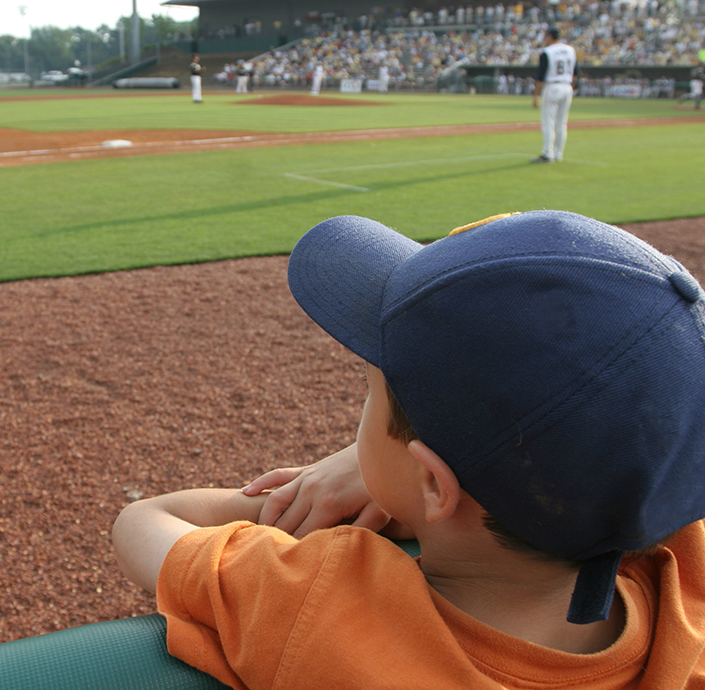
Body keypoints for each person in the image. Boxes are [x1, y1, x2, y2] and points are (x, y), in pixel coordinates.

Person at [114, 210, 705, 688]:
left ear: (434, 484)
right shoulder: (682, 580)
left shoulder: (324, 606)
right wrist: (425, 466)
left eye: (367, 394)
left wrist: (369, 478)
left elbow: (145, 521)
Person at [532, 27, 579, 163]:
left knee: (548, 122)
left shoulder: (547, 52)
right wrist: (570, 86)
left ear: (549, 36)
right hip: (567, 86)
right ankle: (558, 153)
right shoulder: (571, 50)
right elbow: (576, 73)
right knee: (562, 123)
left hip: (552, 86)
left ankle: (547, 153)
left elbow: (540, 77)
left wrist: (536, 96)